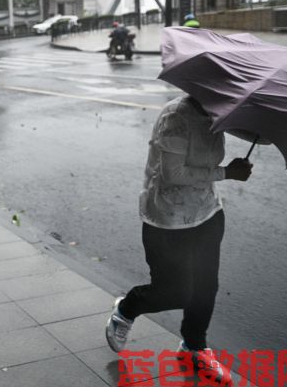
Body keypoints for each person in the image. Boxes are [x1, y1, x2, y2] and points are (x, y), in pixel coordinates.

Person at [104, 95, 252, 387]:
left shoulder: (219, 111)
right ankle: (128, 308)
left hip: (208, 213)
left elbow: (255, 137)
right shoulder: (176, 117)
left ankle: (194, 347)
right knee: (176, 292)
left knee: (206, 287)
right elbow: (174, 174)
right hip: (167, 219)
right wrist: (227, 172)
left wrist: (255, 123)